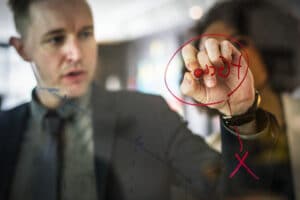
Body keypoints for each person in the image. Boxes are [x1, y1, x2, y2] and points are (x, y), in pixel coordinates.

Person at [0, 0, 289, 199]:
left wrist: (242, 114)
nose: (76, 52)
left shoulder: (149, 114)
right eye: (56, 38)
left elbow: (241, 192)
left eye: (85, 34)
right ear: (23, 48)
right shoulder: (4, 132)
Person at [183, 0, 299, 198]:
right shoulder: (210, 160)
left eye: (239, 42)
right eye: (212, 53)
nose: (227, 59)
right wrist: (241, 112)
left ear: (267, 50)